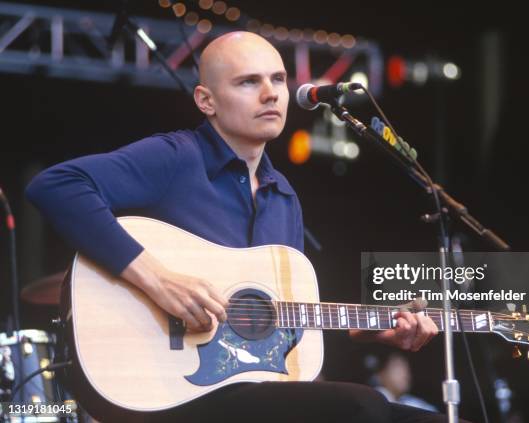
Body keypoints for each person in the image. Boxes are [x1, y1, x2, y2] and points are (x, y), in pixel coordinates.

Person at [26, 31, 455, 423]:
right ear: (205, 100)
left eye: (279, 79)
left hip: (243, 393)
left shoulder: (282, 195)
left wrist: (361, 331)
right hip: (168, 392)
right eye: (249, 82)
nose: (271, 94)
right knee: (363, 406)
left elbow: (271, 332)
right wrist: (159, 281)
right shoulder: (177, 158)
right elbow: (56, 186)